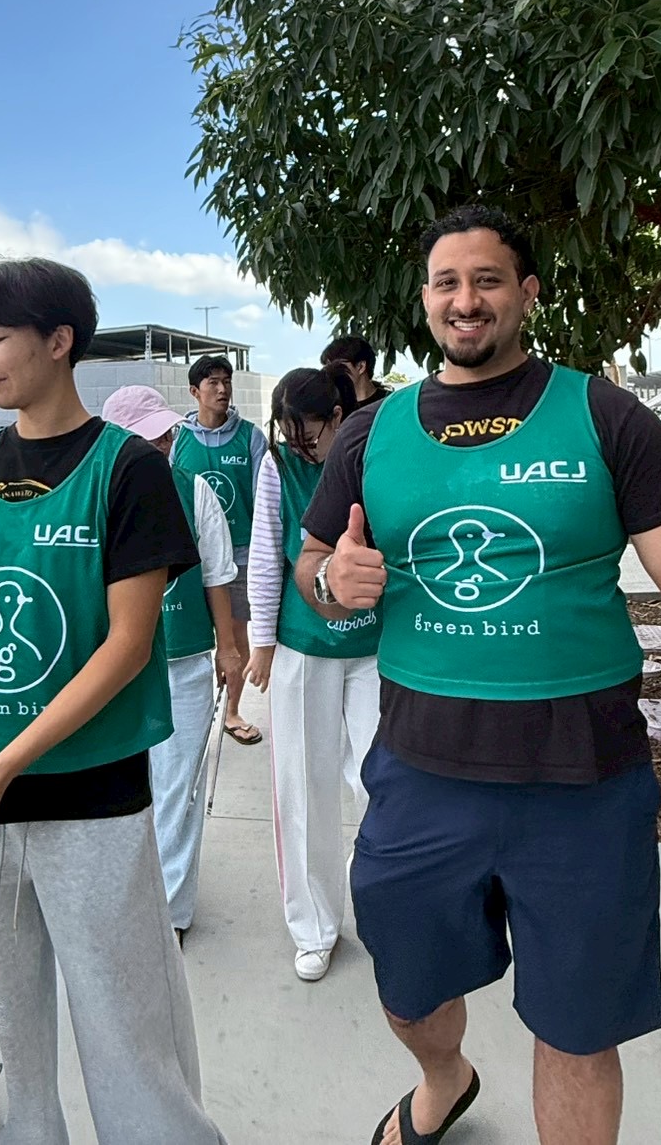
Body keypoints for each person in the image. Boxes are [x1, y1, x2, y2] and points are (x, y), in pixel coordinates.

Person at [295, 204, 661, 1145]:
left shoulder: (602, 415)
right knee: (407, 991)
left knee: (576, 1028)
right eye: (447, 282)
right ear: (425, 300)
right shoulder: (371, 433)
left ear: (526, 293)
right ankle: (446, 1077)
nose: (466, 299)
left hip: (584, 784)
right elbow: (313, 566)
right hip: (419, 774)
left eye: (487, 279)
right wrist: (331, 581)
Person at [0, 259, 227, 1145]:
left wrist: (4, 765)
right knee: (1, 1048)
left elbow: (127, 643)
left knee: (130, 1038)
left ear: (59, 340)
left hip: (92, 802)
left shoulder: (126, 469)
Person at [246, 365, 382, 983]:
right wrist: (261, 641)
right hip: (304, 644)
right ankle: (314, 927)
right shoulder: (278, 467)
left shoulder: (375, 454)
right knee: (303, 788)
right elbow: (265, 554)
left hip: (378, 645)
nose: (301, 448)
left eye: (310, 435)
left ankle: (381, 901)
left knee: (385, 782)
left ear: (339, 417)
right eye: (290, 435)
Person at [100, 384, 242, 943]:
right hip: (111, 670)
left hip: (182, 661)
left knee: (178, 790)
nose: (159, 446)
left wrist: (228, 648)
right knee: (121, 788)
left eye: (163, 435)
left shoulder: (194, 489)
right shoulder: (94, 492)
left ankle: (169, 911)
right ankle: (126, 897)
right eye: (146, 438)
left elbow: (217, 573)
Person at [173, 353, 267, 745]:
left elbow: (265, 499)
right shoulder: (178, 438)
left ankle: (231, 711)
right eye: (212, 381)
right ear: (194, 391)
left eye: (226, 380)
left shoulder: (251, 437)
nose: (222, 388)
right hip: (191, 560)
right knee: (190, 637)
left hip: (240, 558)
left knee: (235, 637)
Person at [320, 334, 391, 410]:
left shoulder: (392, 402)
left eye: (338, 366)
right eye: (327, 368)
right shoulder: (333, 408)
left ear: (361, 366)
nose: (330, 373)